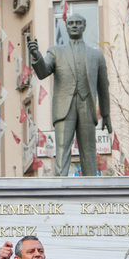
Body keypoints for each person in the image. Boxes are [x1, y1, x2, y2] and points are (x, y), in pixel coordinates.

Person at [28, 12, 111, 177]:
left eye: (78, 23)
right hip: (64, 107)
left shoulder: (96, 56)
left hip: (87, 106)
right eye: (71, 23)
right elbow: (43, 72)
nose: (74, 25)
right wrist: (37, 56)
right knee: (62, 148)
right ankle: (60, 185)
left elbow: (103, 88)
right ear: (66, 27)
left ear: (84, 26)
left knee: (89, 150)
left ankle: (91, 186)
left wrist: (106, 114)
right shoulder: (55, 51)